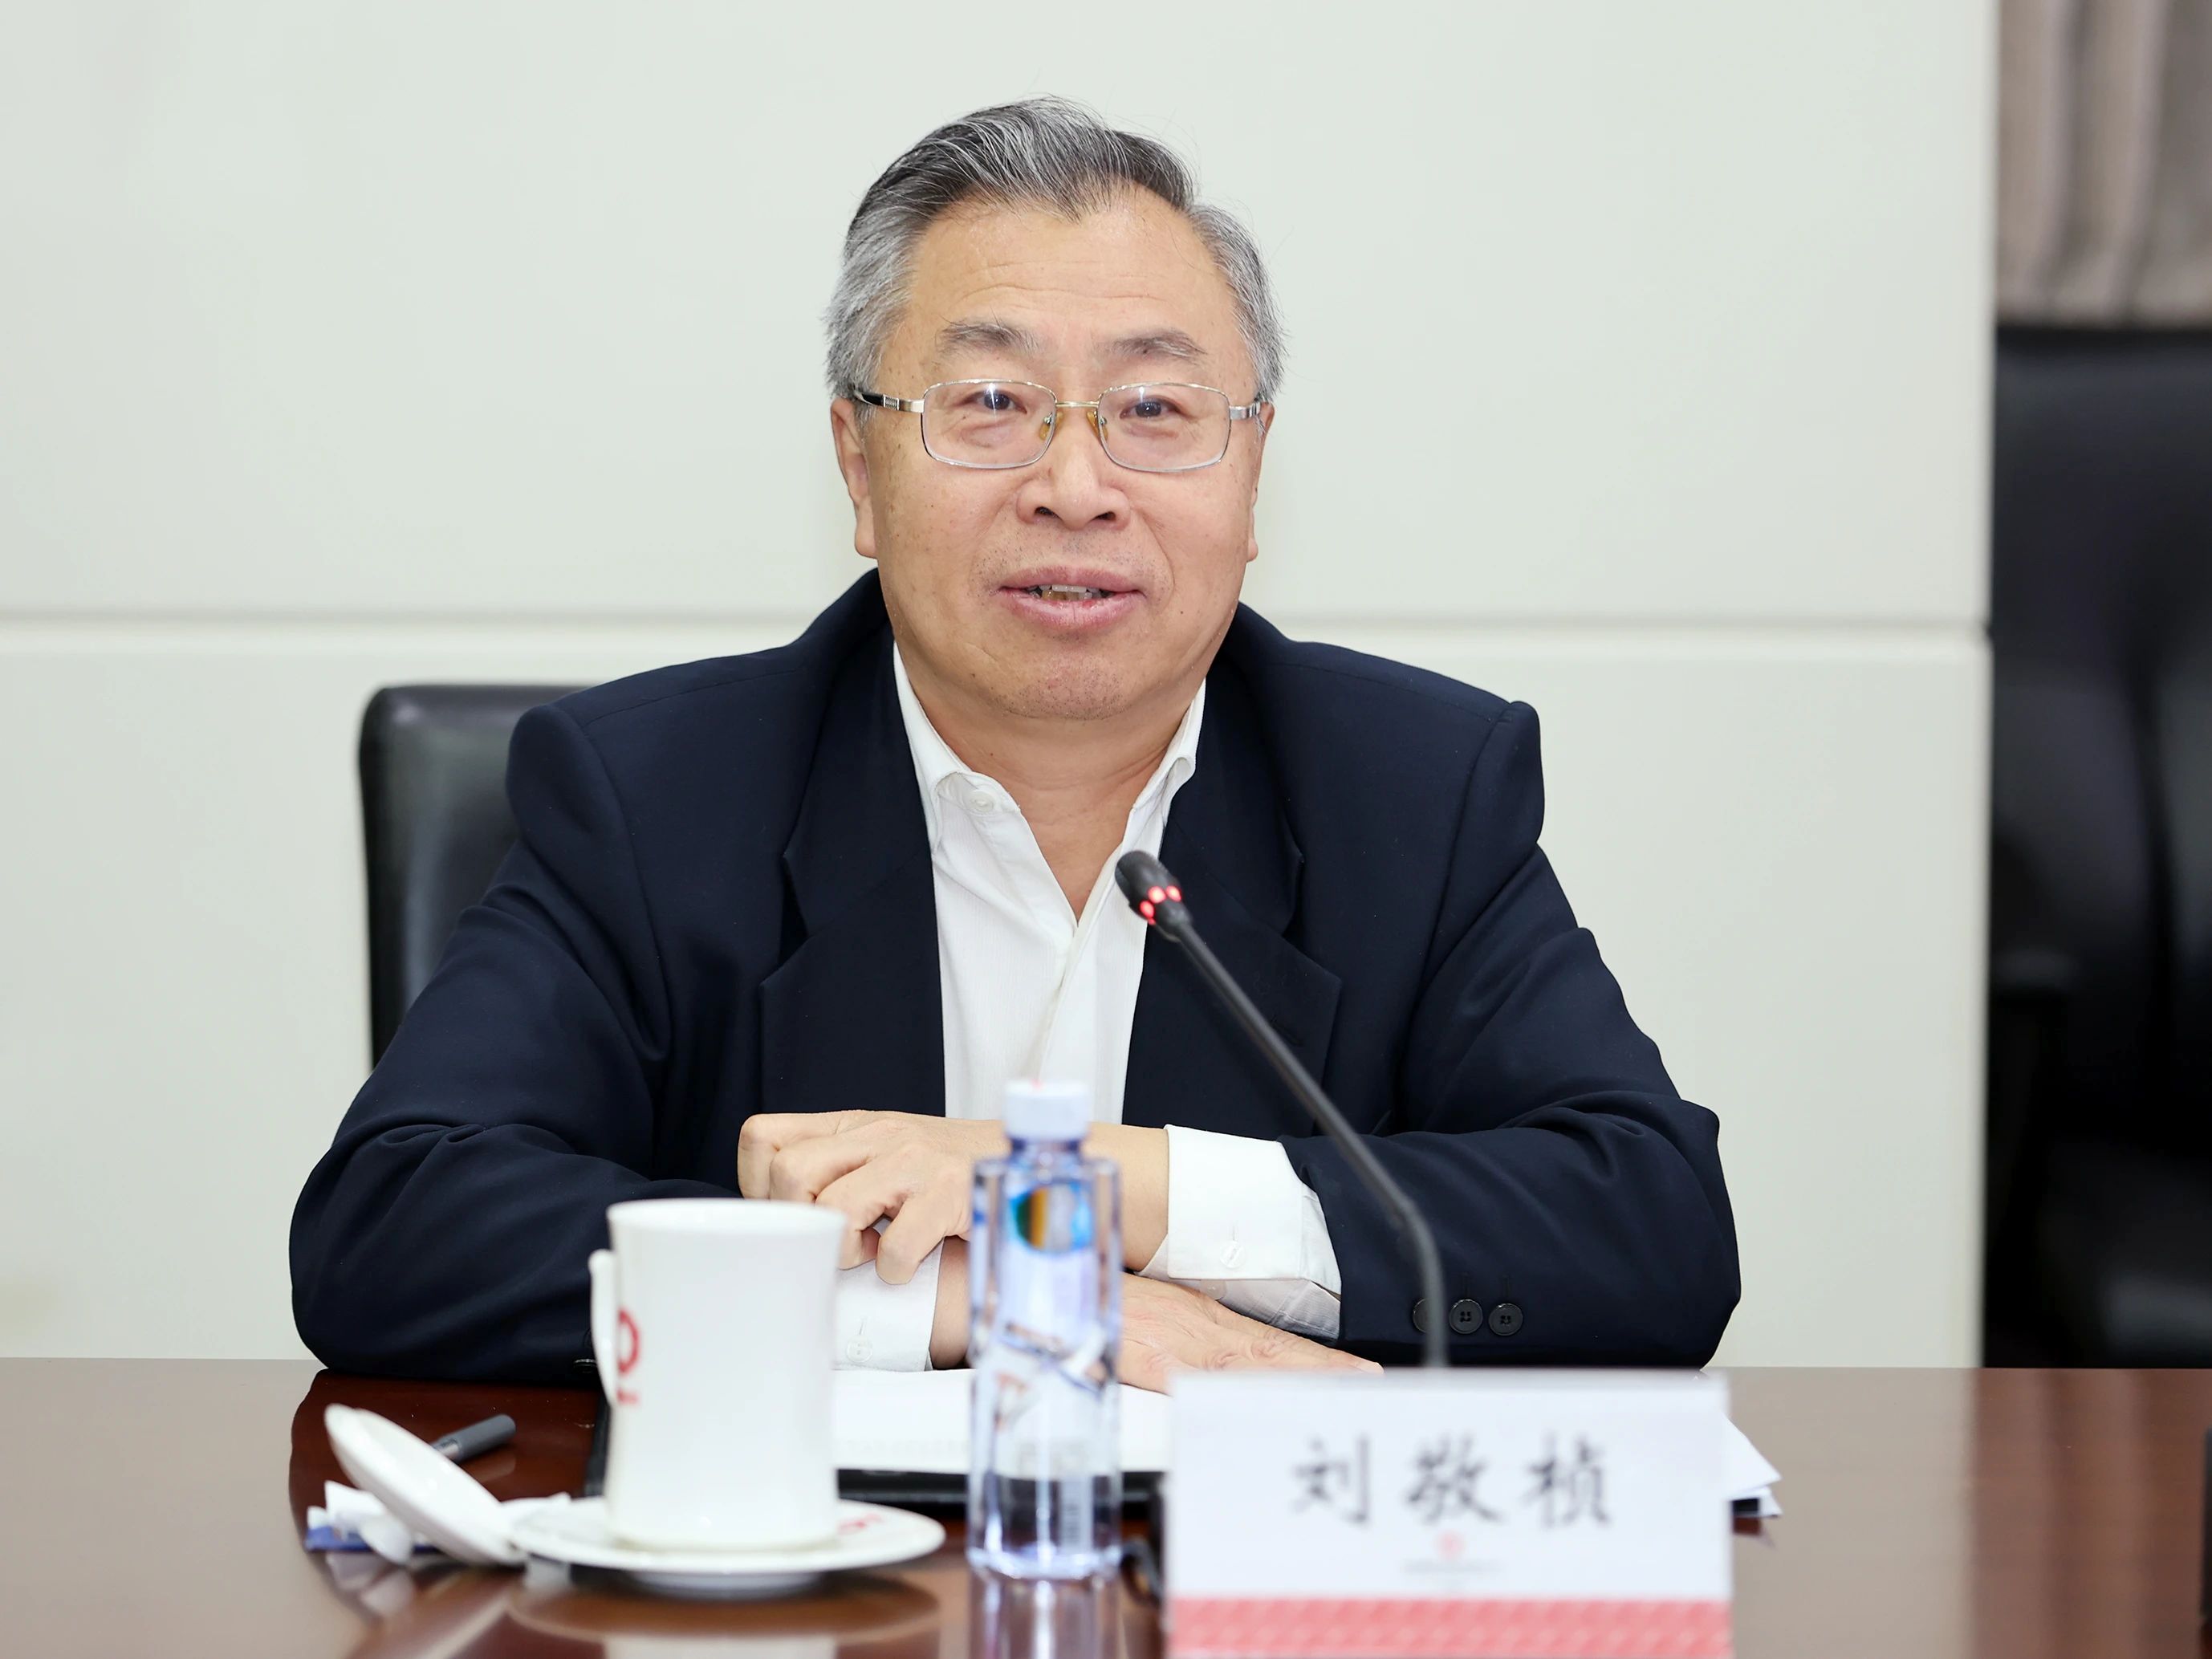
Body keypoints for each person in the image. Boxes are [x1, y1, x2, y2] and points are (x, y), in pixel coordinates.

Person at [291, 98, 1738, 1387]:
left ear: (1251, 471)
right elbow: (395, 1229)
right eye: (989, 404)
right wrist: (1009, 1299)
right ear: (860, 469)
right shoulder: (657, 795)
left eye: (1154, 410)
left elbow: (1651, 1233)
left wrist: (1093, 1190)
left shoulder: (1411, 790)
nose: (1076, 485)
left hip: (1244, 1571)